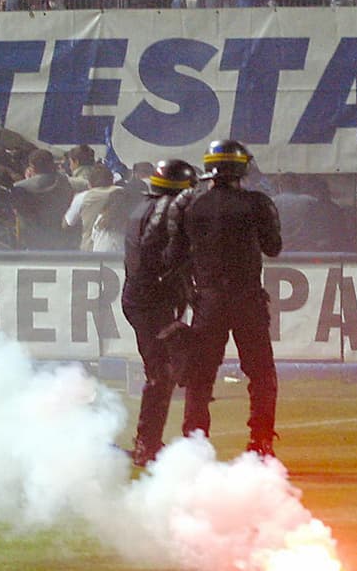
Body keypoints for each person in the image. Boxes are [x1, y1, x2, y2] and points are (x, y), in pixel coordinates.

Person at [169, 139, 282, 457]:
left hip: (208, 300)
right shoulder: (257, 203)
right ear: (241, 167)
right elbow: (273, 246)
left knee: (200, 375)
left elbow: (174, 255)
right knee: (261, 373)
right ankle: (261, 442)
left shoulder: (189, 203)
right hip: (247, 298)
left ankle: (195, 442)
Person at [121, 158, 198, 466]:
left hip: (144, 300)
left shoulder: (145, 208)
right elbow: (162, 257)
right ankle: (146, 444)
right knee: (162, 372)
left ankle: (148, 442)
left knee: (164, 370)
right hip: (151, 301)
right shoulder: (165, 211)